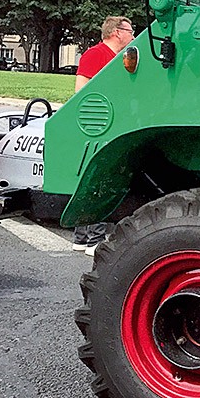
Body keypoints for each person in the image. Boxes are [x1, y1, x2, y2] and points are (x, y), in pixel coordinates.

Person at [72, 15, 134, 254]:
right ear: (117, 32)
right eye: (130, 30)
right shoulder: (96, 55)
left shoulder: (115, 57)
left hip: (104, 122)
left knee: (92, 178)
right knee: (101, 178)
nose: (132, 35)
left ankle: (82, 236)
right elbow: (82, 91)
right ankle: (94, 239)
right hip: (100, 125)